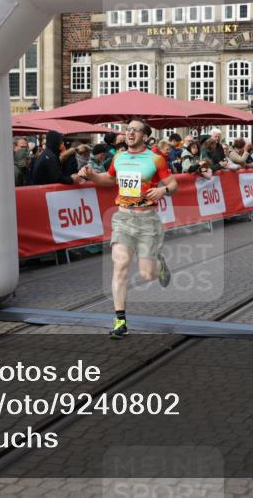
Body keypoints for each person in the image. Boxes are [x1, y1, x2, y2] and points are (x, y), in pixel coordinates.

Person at [78, 118, 178, 339]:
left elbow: (173, 184)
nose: (130, 133)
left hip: (147, 220)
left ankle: (158, 262)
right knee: (120, 265)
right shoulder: (119, 157)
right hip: (123, 218)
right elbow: (109, 179)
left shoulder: (156, 159)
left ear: (145, 136)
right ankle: (120, 320)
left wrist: (163, 191)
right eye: (128, 129)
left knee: (146, 273)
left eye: (136, 130)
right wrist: (93, 176)